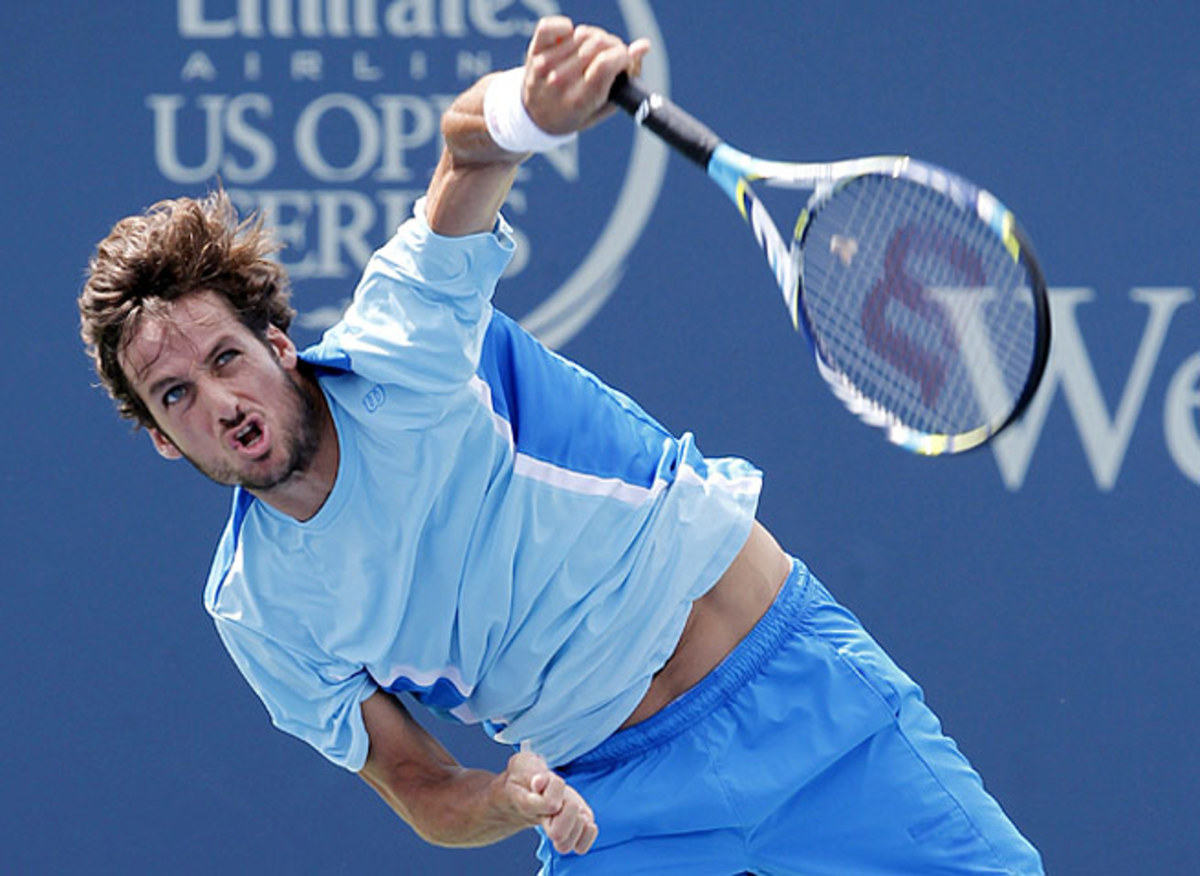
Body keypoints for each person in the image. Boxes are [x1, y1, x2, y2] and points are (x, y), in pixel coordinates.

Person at [79, 16, 1043, 876]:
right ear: (162, 438)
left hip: (799, 699)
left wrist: (526, 109)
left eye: (226, 358)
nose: (219, 401)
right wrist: (505, 799)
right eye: (177, 395)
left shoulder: (401, 349)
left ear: (279, 346)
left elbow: (466, 159)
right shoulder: (259, 607)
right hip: (615, 811)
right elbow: (418, 786)